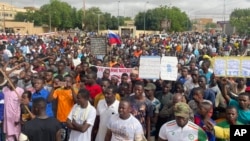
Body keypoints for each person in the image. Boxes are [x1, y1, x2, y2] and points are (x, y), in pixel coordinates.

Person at [3, 76, 24, 141]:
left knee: (17, 133)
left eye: (11, 82)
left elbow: (20, 105)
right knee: (8, 135)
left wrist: (17, 118)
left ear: (15, 83)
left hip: (15, 116)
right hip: (7, 117)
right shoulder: (5, 89)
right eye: (8, 82)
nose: (9, 84)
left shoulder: (20, 91)